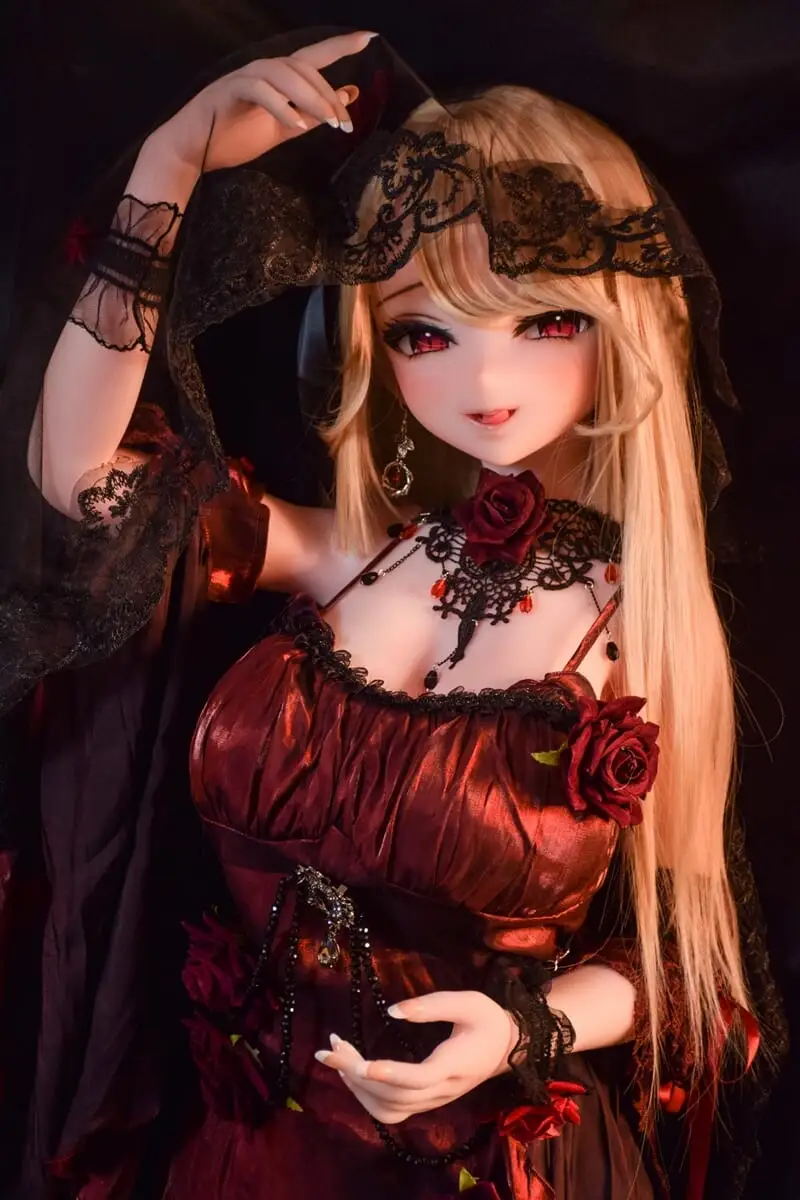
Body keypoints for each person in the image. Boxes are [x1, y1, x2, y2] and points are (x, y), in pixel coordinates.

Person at [1, 24, 783, 1200]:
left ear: (621, 327)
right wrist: (168, 166)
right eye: (425, 331)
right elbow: (78, 479)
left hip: (482, 1164)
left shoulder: (642, 621)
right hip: (248, 1155)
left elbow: (692, 968)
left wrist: (524, 1030)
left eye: (544, 320)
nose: (482, 380)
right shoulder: (346, 557)